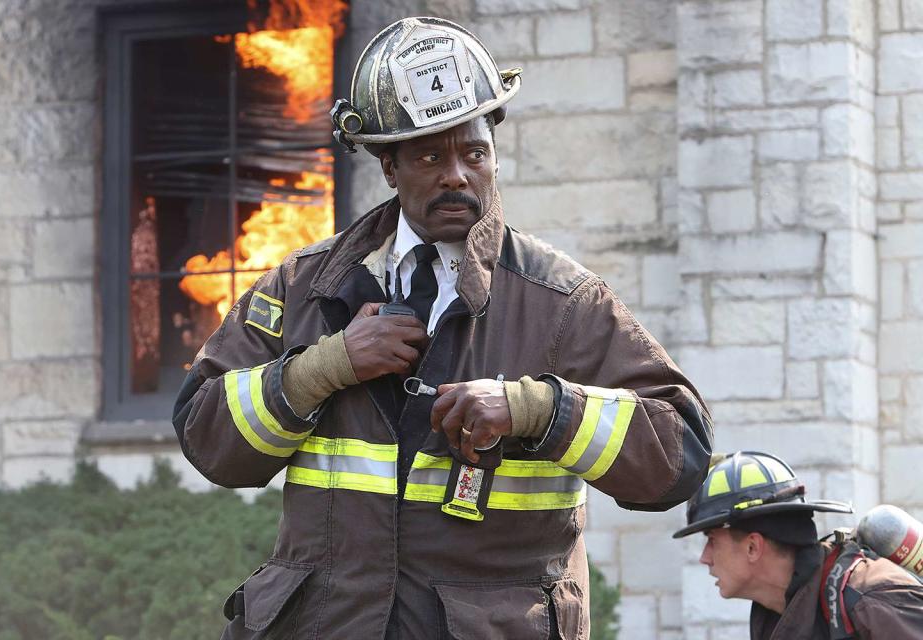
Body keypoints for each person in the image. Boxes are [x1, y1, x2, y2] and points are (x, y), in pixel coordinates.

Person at [173, 16, 713, 639]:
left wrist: (537, 409)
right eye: (431, 154)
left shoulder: (562, 302)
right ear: (389, 167)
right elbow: (207, 435)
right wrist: (323, 368)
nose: (457, 173)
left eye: (474, 151)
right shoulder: (306, 287)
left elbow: (679, 455)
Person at [673, 451, 923, 639]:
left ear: (753, 547)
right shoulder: (774, 616)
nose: (705, 558)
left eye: (712, 540)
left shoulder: (870, 601)